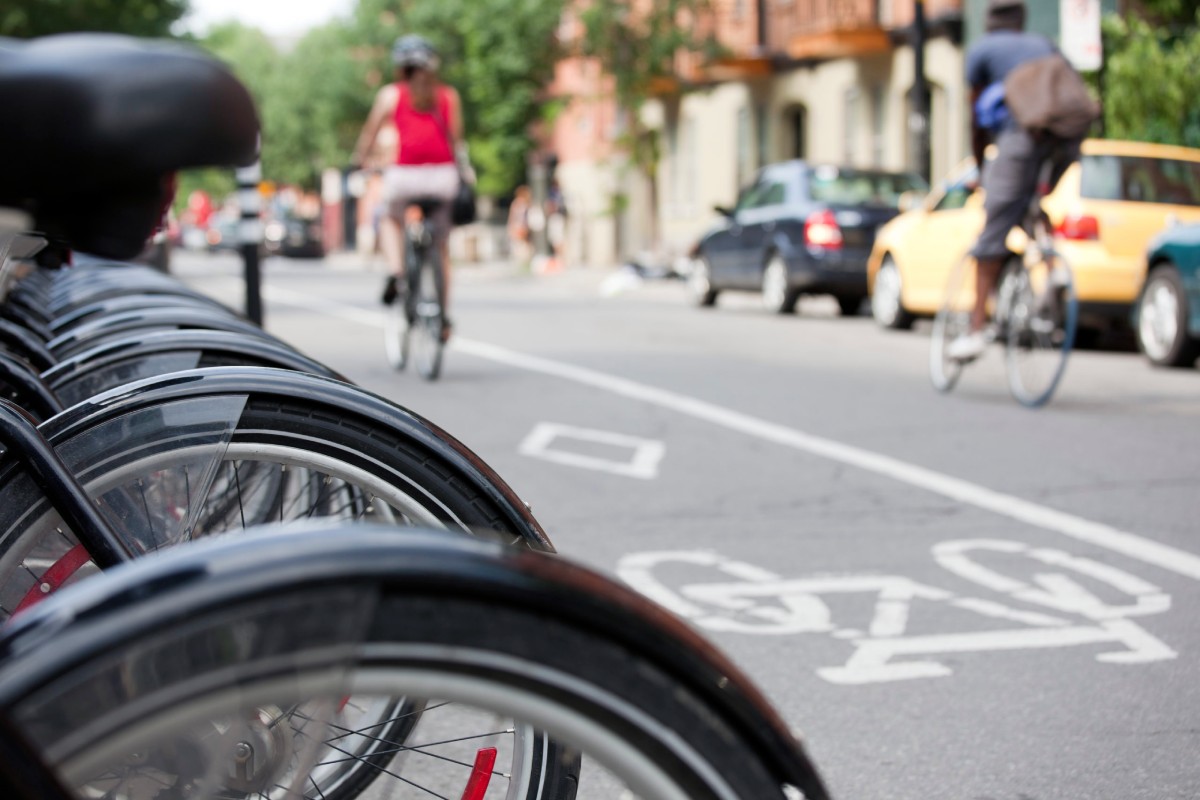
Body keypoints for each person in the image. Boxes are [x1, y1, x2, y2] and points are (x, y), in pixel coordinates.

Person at [947, 0, 1081, 361]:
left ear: (989, 23)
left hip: (1022, 137)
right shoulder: (1044, 45)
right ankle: (1051, 266)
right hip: (1067, 138)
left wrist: (981, 168)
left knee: (992, 232)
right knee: (1031, 201)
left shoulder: (983, 51)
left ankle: (975, 331)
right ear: (1020, 22)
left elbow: (976, 120)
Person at [352, 34, 467, 340]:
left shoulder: (391, 95)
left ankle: (397, 272)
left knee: (390, 217)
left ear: (401, 67)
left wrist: (359, 159)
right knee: (441, 247)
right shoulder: (449, 96)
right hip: (443, 177)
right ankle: (443, 317)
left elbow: (370, 134)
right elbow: (456, 139)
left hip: (404, 176)